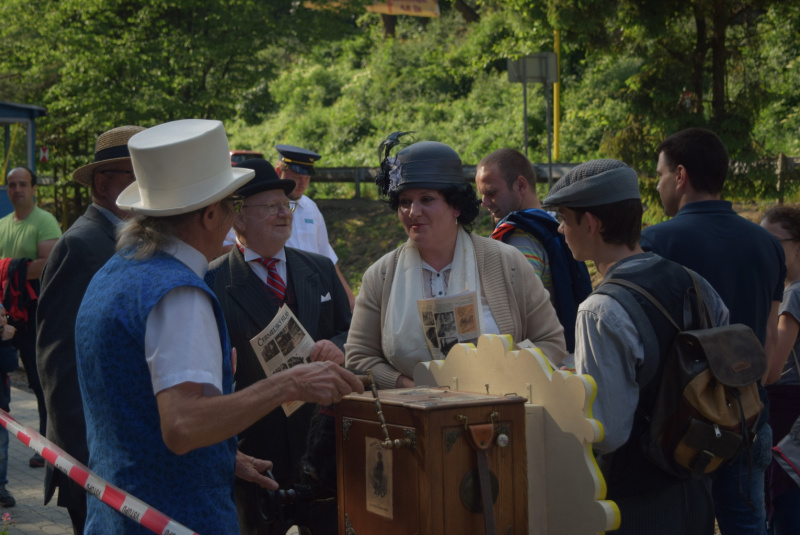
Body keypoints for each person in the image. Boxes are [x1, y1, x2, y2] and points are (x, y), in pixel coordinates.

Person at [74, 119, 363, 534]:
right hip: (176, 517)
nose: (234, 219)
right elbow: (183, 425)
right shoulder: (179, 294)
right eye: (231, 206)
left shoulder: (116, 273)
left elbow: (138, 410)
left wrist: (224, 456)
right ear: (210, 214)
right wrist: (290, 384)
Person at [543, 158, 727, 534]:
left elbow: (608, 431)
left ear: (591, 224)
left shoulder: (598, 310)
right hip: (697, 486)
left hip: (638, 504)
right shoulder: (693, 281)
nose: (561, 229)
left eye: (564, 217)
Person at [640, 128, 785, 535]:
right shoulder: (767, 244)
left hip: (679, 425)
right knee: (747, 524)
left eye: (660, 174)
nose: (658, 184)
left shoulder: (656, 242)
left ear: (681, 175)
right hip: (748, 414)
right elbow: (770, 357)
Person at [345, 133, 566, 389]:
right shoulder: (381, 276)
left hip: (497, 417)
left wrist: (508, 364)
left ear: (456, 206)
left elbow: (551, 342)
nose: (413, 212)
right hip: (412, 419)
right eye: (404, 202)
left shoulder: (508, 263)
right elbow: (358, 357)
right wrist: (408, 386)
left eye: (426, 199)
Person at [206, 158, 352, 534]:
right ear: (238, 218)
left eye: (284, 206)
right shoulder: (212, 281)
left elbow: (352, 333)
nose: (282, 214)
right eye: (269, 207)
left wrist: (338, 347)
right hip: (255, 452)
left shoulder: (319, 268)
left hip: (322, 446)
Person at [36, 125, 144, 533]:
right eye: (135, 177)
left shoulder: (124, 240)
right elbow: (58, 366)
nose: (147, 189)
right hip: (95, 466)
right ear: (102, 184)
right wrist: (87, 467)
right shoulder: (81, 245)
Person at [476, 148, 592, 352]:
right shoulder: (551, 225)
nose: (484, 203)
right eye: (482, 195)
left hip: (535, 360)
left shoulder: (519, 239)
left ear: (520, 185)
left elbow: (513, 315)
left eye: (492, 193)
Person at [0, 166, 62, 468]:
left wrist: (8, 267)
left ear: (34, 188)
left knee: (40, 382)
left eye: (22, 184)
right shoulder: (2, 225)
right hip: (5, 317)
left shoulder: (45, 221)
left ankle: (47, 446)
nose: (16, 190)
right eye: (11, 185)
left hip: (36, 313)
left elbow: (47, 264)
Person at [275, 144, 356, 310]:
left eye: (306, 178)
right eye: (296, 177)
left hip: (314, 295)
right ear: (279, 171)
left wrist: (349, 298)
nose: (302, 183)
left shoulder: (311, 209)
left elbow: (326, 256)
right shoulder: (266, 207)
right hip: (281, 296)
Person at [760, 206, 800, 534]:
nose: (766, 251)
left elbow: (773, 368)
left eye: (774, 242)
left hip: (788, 410)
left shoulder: (794, 295)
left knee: (785, 504)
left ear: (797, 246)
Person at [0, 304, 17, 508]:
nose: (3, 320)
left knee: (2, 449)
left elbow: (11, 365)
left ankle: (1, 486)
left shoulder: (5, 339)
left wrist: (6, 343)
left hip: (1, 405)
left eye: (4, 315)